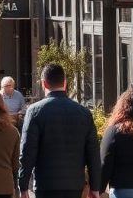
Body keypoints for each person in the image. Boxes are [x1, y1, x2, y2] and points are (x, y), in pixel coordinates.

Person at [19, 63, 101, 198]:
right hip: (74, 185)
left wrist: (23, 186)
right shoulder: (84, 113)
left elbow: (27, 152)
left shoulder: (34, 112)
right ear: (65, 83)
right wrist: (95, 187)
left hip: (45, 185)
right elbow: (93, 153)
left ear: (44, 84)